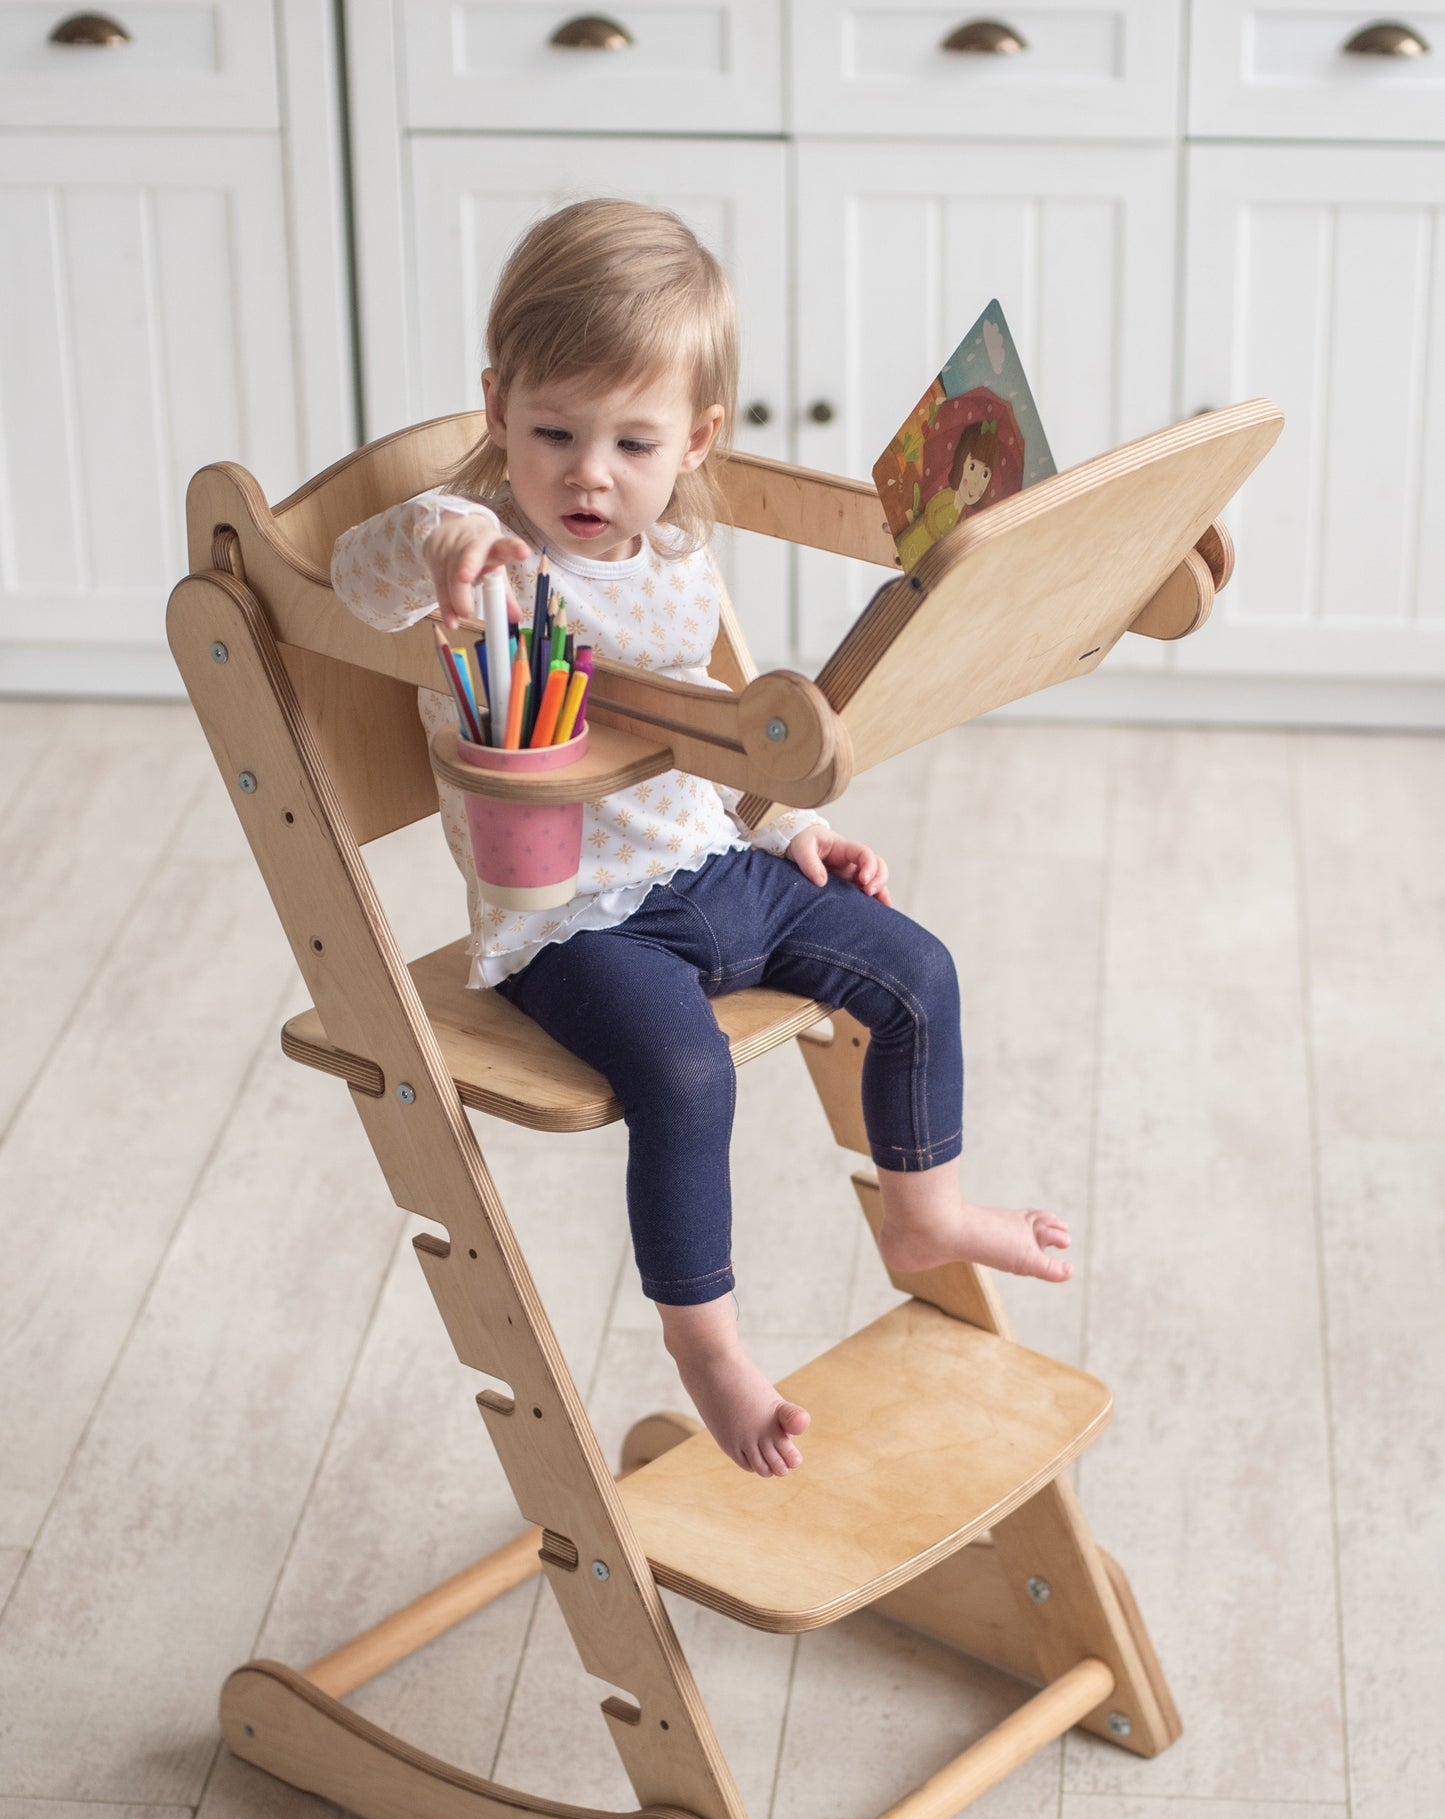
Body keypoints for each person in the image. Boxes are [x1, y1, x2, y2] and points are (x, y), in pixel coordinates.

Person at [332, 198, 1071, 1481]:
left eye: (631, 440)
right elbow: (355, 576)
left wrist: (789, 822)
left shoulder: (675, 547)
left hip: (714, 860)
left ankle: (922, 1212)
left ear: (695, 442)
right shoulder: (487, 551)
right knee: (686, 1079)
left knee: (918, 971)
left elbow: (712, 723)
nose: (586, 474)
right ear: (497, 404)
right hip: (571, 916)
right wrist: (441, 533)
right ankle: (706, 1343)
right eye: (551, 431)